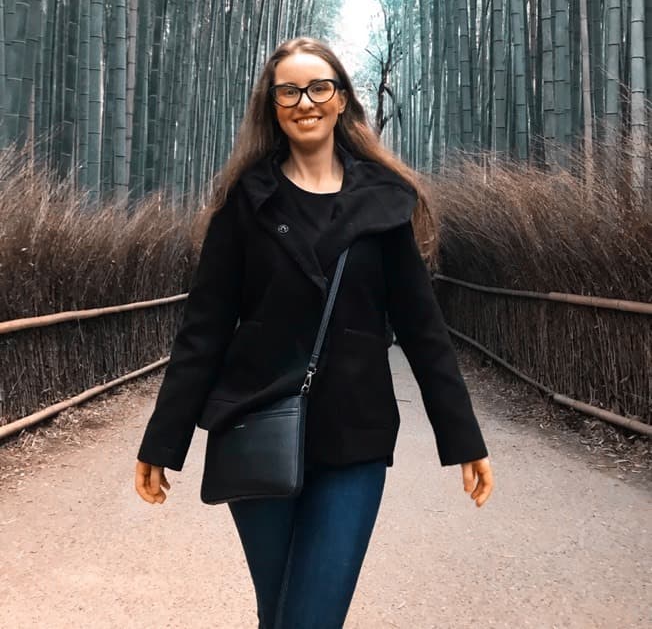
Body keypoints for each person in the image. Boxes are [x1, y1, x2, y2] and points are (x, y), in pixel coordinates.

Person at [135, 36, 494, 629]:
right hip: (256, 425)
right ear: (272, 107)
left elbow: (424, 330)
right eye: (289, 90)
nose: (305, 101)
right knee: (279, 614)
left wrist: (464, 439)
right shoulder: (244, 207)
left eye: (319, 87)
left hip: (355, 437)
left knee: (310, 619)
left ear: (342, 100)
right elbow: (202, 332)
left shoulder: (384, 205)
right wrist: (163, 442)